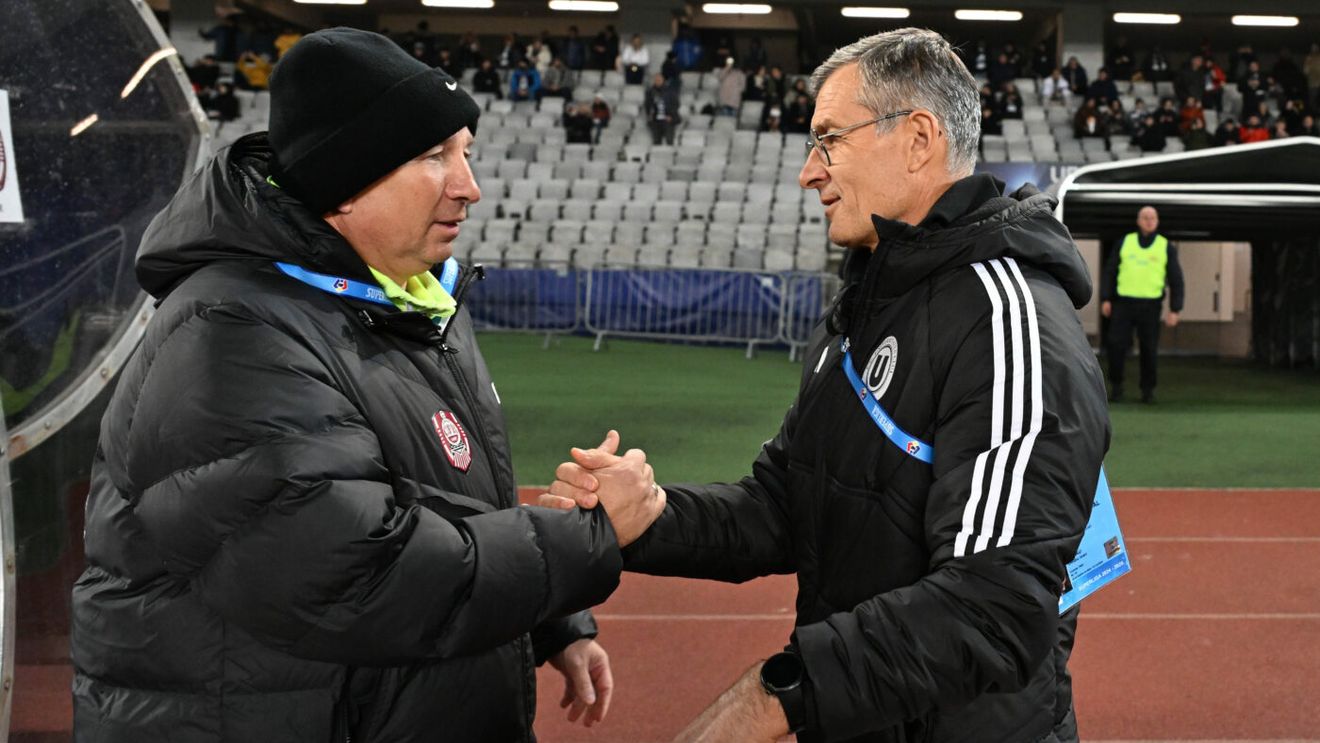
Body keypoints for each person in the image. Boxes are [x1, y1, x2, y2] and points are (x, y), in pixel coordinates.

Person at [69, 28, 664, 742]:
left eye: (466, 155)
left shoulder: (406, 298)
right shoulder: (231, 333)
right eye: (434, 156)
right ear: (344, 178)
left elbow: (444, 498)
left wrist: (550, 621)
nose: (469, 187)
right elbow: (359, 578)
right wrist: (586, 540)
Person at [544, 27, 1108, 743]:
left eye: (829, 139)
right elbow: (788, 503)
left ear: (917, 139)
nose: (809, 172)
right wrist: (652, 518)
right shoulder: (870, 304)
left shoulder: (1007, 318)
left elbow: (993, 608)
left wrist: (775, 692)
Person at [1100, 206, 1184, 404]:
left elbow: (1176, 279)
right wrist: (1106, 298)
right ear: (1138, 221)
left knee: (1149, 349)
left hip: (1151, 306)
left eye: (1152, 217)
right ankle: (1116, 387)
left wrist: (1175, 308)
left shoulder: (1165, 246)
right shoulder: (1124, 242)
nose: (1148, 220)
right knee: (1116, 345)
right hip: (1123, 304)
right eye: (1145, 217)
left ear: (1157, 221)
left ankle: (1148, 391)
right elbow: (1110, 271)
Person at [643, 72, 680, 145]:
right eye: (656, 80)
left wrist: (671, 116)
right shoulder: (650, 92)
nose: (657, 81)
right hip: (655, 120)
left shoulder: (670, 91)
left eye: (659, 79)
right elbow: (647, 105)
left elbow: (676, 104)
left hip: (668, 120)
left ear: (663, 80)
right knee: (656, 141)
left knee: (669, 141)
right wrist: (649, 115)